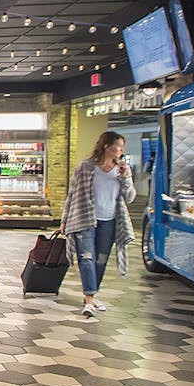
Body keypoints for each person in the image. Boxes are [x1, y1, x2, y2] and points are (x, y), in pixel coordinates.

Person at [59, 131, 135, 318]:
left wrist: (125, 179)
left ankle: (91, 295)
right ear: (106, 146)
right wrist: (64, 219)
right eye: (118, 146)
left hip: (109, 221)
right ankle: (90, 299)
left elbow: (130, 197)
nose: (121, 150)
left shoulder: (122, 170)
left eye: (122, 147)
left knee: (100, 259)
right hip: (84, 219)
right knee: (86, 258)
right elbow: (72, 194)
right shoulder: (86, 167)